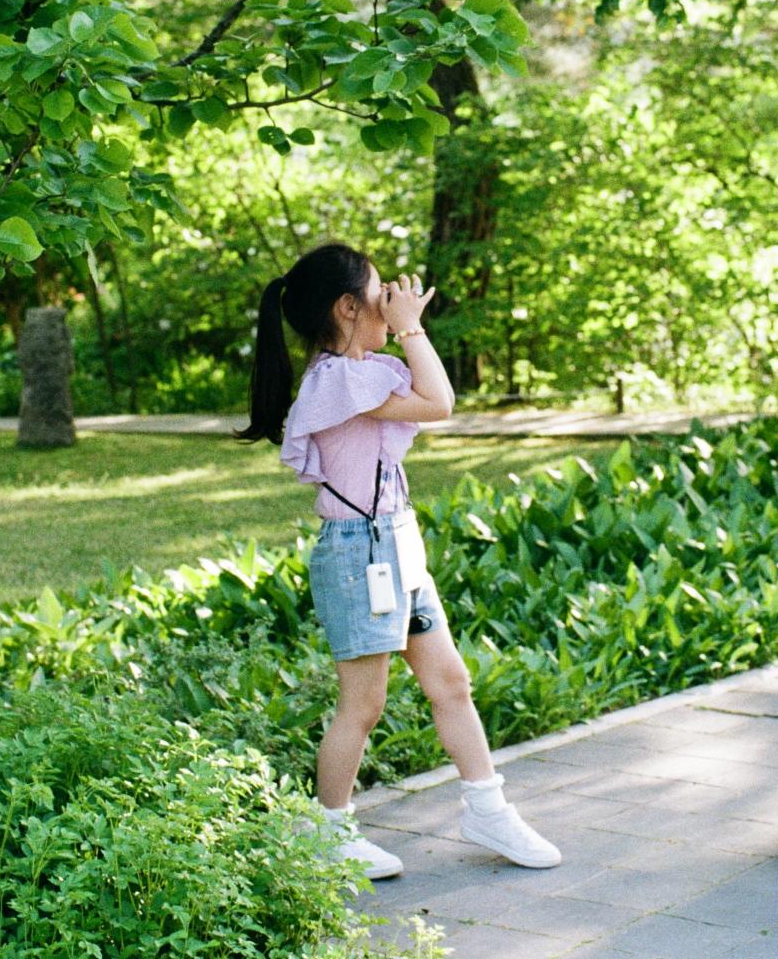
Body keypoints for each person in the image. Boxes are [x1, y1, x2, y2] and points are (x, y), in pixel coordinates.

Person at [238, 242, 561, 879]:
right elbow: (440, 404)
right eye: (380, 292)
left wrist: (405, 329)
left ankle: (486, 807)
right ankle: (328, 832)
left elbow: (433, 394)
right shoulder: (337, 383)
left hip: (395, 546)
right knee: (363, 703)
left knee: (451, 683)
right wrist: (410, 326)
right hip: (358, 555)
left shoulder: (365, 372)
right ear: (347, 307)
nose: (392, 301)